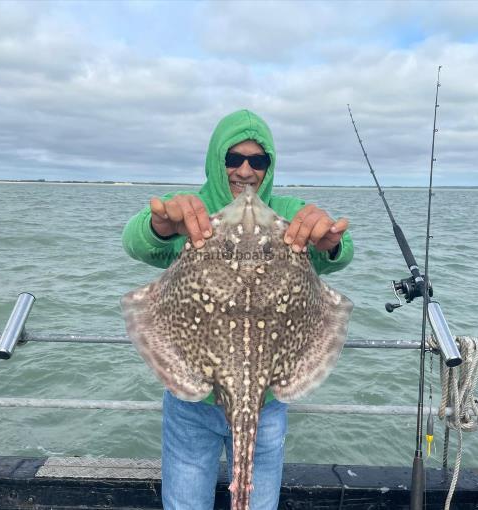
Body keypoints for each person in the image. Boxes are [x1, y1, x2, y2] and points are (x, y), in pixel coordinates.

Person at [122, 110, 354, 509]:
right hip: (191, 401)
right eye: (234, 159)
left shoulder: (287, 210)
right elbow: (136, 242)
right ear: (217, 160)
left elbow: (338, 254)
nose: (245, 171)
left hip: (265, 402)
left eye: (257, 161)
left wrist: (329, 241)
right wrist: (160, 226)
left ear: (269, 166)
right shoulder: (192, 209)